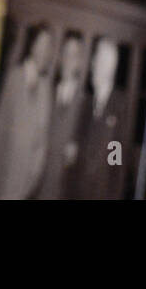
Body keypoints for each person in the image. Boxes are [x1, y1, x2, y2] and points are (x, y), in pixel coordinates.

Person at [0, 23, 55, 199]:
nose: (45, 51)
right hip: (4, 174)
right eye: (41, 44)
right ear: (32, 45)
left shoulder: (46, 88)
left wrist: (34, 174)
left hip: (26, 184)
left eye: (48, 46)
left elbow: (43, 138)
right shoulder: (14, 77)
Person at [68, 36, 132, 199]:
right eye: (95, 60)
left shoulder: (120, 105)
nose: (92, 65)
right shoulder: (87, 103)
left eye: (97, 61)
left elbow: (117, 163)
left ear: (109, 67)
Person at [37, 29, 88, 199]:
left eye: (74, 54)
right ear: (60, 58)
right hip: (37, 183)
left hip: (64, 189)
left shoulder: (85, 103)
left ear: (80, 62)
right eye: (66, 52)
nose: (69, 59)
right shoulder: (47, 92)